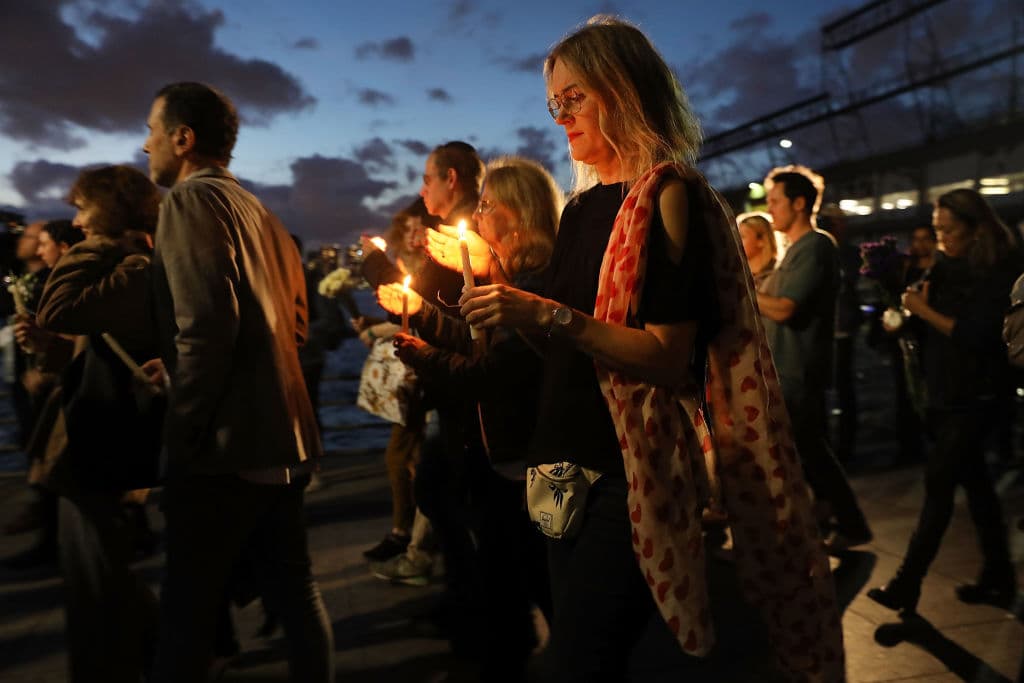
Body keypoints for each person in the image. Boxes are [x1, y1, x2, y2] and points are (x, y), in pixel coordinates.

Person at [446, 16, 843, 681]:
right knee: (574, 633)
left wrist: (541, 310)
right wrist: (499, 310)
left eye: (575, 97)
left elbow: (663, 355)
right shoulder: (579, 209)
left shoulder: (666, 196)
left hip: (623, 473)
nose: (560, 116)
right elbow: (565, 350)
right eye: (554, 102)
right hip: (555, 465)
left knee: (579, 658)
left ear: (623, 86)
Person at [141, 81, 333, 682]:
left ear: (183, 137)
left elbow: (204, 328)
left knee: (187, 604)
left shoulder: (190, 203)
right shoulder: (263, 214)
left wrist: (182, 428)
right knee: (295, 590)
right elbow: (295, 331)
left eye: (150, 131)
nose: (144, 146)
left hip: (227, 443)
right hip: (284, 435)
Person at [381, 156, 561, 679]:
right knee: (513, 575)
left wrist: (417, 352)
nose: (477, 216)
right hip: (506, 456)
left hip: (536, 460)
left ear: (520, 215)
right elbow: (474, 343)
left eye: (487, 206)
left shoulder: (536, 283)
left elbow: (489, 372)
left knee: (542, 578)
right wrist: (419, 312)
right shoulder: (510, 278)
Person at [33, 164, 163, 682]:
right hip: (98, 436)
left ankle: (142, 659)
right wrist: (48, 352)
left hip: (108, 443)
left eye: (84, 210)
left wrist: (94, 246)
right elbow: (79, 343)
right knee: (95, 577)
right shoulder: (126, 265)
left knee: (99, 581)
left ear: (108, 211)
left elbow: (58, 309)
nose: (78, 223)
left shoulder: (132, 267)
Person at [868, 188, 1021, 613]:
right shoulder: (944, 266)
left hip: (979, 393)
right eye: (936, 230)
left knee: (939, 483)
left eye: (948, 231)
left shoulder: (1000, 268)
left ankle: (906, 583)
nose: (940, 240)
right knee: (977, 487)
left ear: (977, 229)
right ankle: (999, 576)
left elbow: (978, 334)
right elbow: (930, 328)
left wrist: (922, 308)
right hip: (946, 391)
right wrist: (903, 319)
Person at [757, 166, 872, 552]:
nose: (770, 209)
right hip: (787, 370)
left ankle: (847, 523)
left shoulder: (816, 246)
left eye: (775, 201)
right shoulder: (797, 249)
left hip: (798, 370)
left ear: (799, 203)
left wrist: (742, 287)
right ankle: (833, 521)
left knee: (809, 452)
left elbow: (786, 308)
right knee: (808, 452)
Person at [736, 212, 777, 289]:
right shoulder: (737, 274)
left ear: (761, 241)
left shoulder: (778, 275)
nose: (736, 242)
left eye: (742, 236)